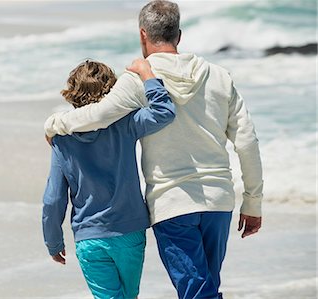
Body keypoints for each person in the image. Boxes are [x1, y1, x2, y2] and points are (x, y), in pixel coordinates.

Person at [43, 1, 264, 299]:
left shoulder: (136, 80)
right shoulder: (219, 76)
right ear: (179, 35)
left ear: (142, 34)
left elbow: (98, 115)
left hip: (172, 204)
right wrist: (252, 202)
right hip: (219, 202)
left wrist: (56, 124)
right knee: (205, 287)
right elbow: (247, 141)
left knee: (198, 292)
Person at [42, 59, 176, 299]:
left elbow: (53, 198)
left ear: (72, 95)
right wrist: (149, 78)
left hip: (89, 236)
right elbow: (163, 113)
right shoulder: (126, 123)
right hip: (130, 231)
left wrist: (53, 241)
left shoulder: (62, 141)